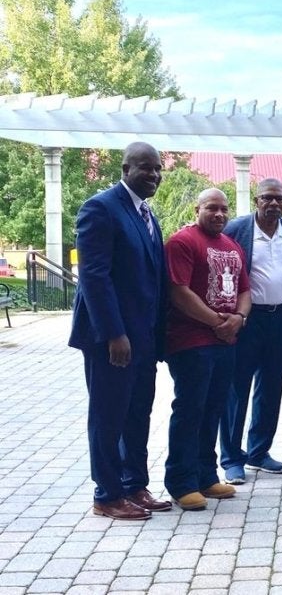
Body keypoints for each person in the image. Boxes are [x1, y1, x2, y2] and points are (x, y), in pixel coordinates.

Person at [69, 141, 171, 520]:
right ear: (125, 168)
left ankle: (134, 485)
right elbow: (94, 277)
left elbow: (152, 278)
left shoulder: (146, 214)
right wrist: (114, 333)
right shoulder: (100, 208)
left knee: (137, 412)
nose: (154, 175)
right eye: (146, 168)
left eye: (158, 168)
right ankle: (107, 494)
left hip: (143, 337)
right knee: (108, 415)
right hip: (111, 339)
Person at [163, 188, 251, 510]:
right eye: (212, 208)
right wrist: (218, 322)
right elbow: (179, 292)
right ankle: (181, 481)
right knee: (190, 410)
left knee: (213, 409)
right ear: (197, 208)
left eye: (224, 209)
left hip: (225, 342)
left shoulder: (232, 246)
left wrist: (239, 319)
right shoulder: (182, 242)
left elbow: (245, 290)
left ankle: (205, 475)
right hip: (191, 342)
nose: (219, 214)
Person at [219, 179, 282, 485]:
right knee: (236, 389)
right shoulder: (237, 229)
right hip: (246, 320)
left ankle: (259, 451)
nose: (274, 204)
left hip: (281, 320)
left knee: (271, 388)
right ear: (256, 200)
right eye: (268, 198)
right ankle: (231, 458)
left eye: (279, 199)